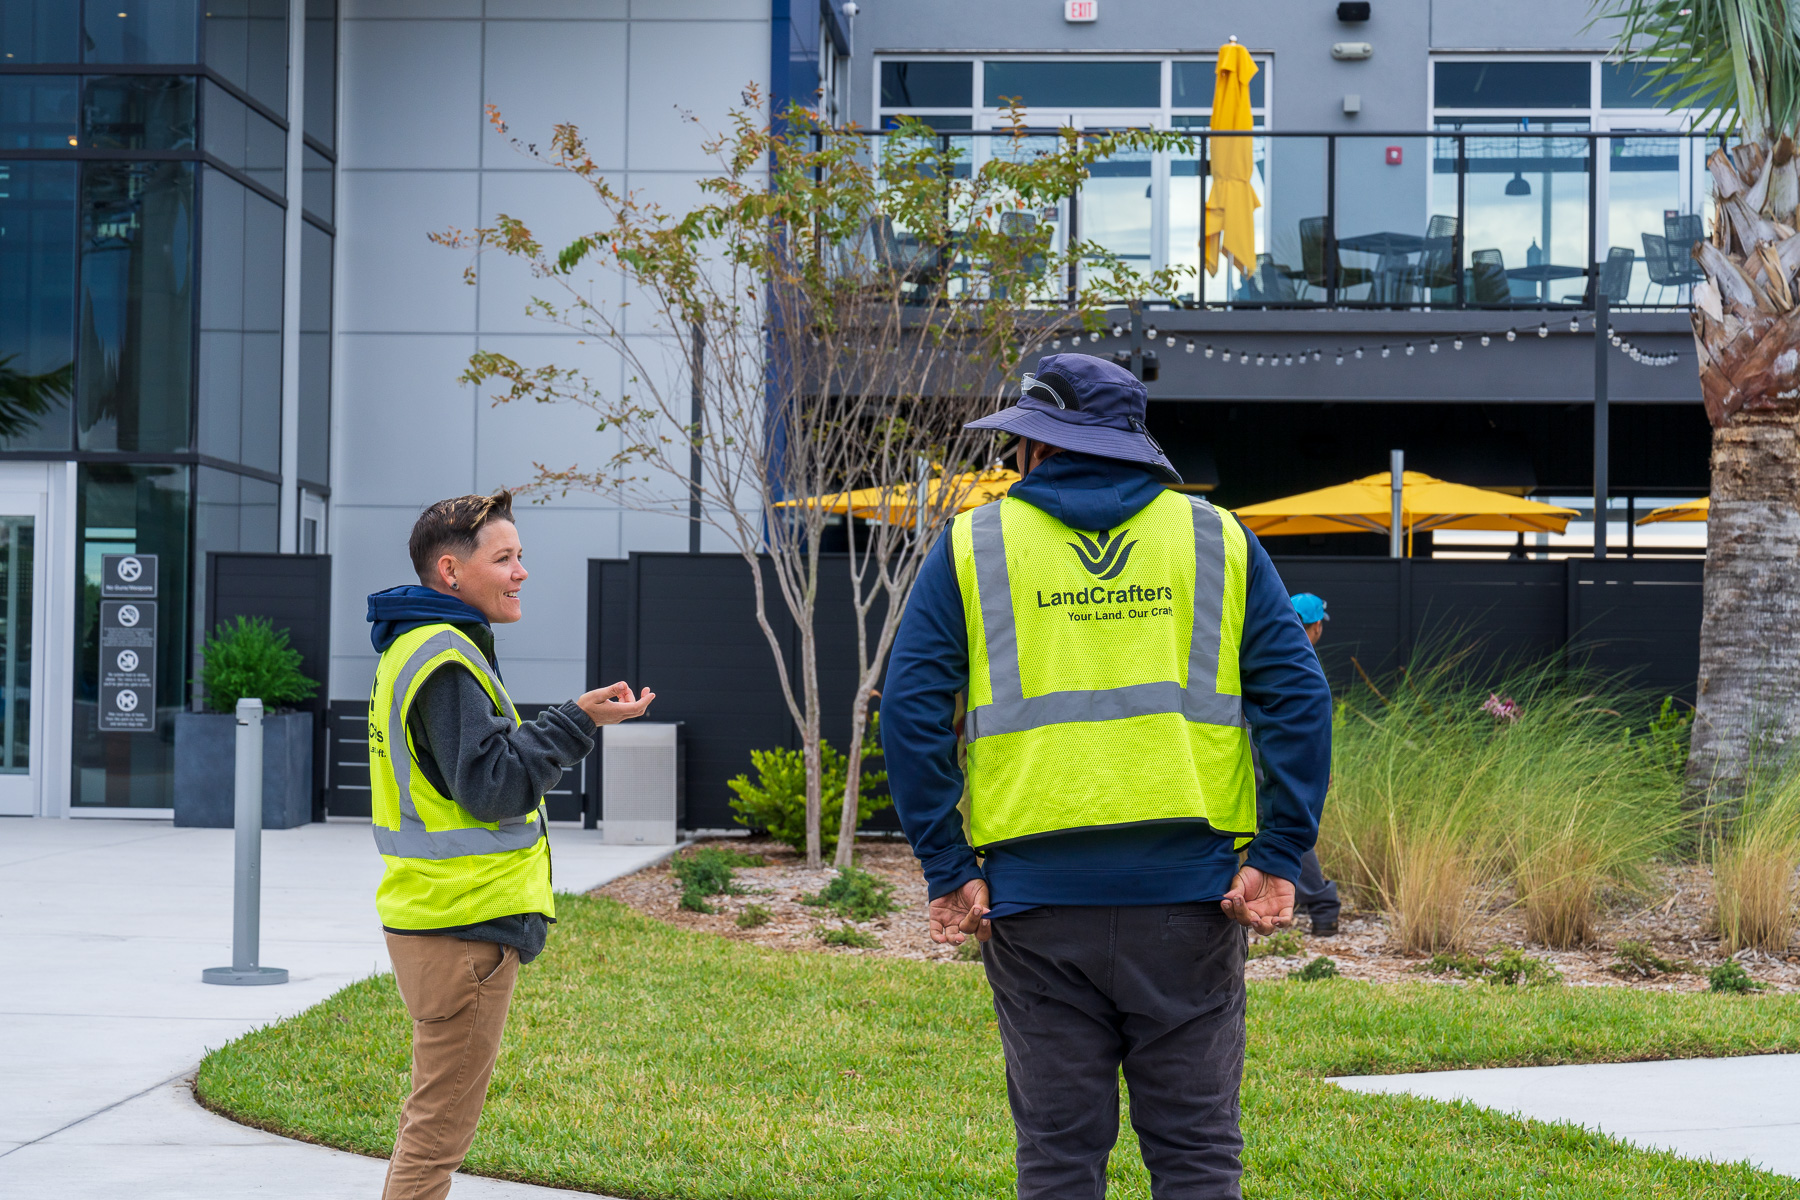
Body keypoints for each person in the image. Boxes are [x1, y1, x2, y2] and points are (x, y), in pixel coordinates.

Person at [883, 354, 1331, 1200]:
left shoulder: (976, 545)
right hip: (1192, 902)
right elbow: (1300, 701)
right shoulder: (1216, 538)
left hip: (1036, 908)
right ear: (1132, 446)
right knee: (1197, 1157)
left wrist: (950, 869)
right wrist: (1278, 854)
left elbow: (908, 715)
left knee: (1058, 1161)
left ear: (1034, 450)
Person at [366, 489, 654, 1200]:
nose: (522, 571)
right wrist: (574, 720)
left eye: (521, 555)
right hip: (462, 929)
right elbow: (494, 787)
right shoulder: (444, 660)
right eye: (504, 558)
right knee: (435, 1139)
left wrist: (574, 717)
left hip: (441, 920)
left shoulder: (421, 647)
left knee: (432, 1126)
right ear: (450, 571)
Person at [1283, 592, 1340, 937]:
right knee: (1290, 825)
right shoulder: (1304, 660)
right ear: (1316, 625)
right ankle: (1321, 906)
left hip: (1252, 748)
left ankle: (1320, 905)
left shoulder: (1263, 647)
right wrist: (1321, 765)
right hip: (1286, 755)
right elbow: (1316, 721)